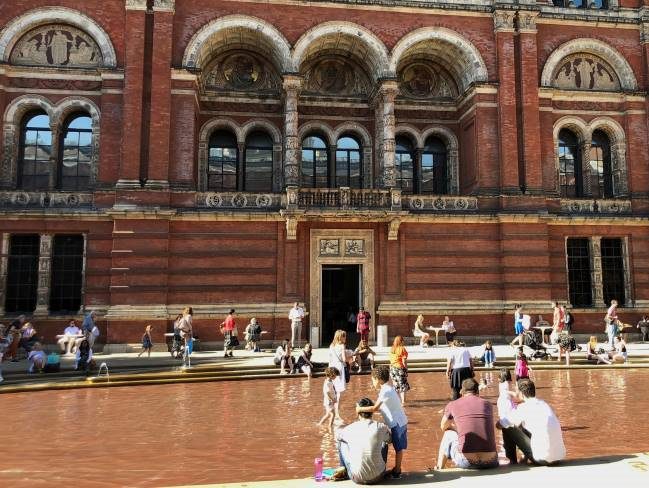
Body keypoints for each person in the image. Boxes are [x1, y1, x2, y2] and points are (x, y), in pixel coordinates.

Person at [497, 379, 566, 465]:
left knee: (507, 427)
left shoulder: (524, 407)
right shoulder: (544, 404)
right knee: (522, 426)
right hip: (558, 457)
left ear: (521, 393)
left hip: (542, 459)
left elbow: (500, 424)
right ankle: (523, 458)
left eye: (516, 391)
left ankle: (512, 462)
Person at [356, 366, 408, 479]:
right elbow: (381, 407)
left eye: (373, 380)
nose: (372, 382)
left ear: (378, 379)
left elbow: (375, 408)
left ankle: (397, 471)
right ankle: (396, 468)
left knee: (398, 448)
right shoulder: (387, 389)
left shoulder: (385, 391)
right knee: (396, 446)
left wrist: (360, 409)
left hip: (397, 423)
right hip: (399, 421)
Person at [435, 378, 498, 470]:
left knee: (448, 433)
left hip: (466, 462)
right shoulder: (488, 404)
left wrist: (455, 429)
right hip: (491, 461)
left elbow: (443, 426)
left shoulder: (452, 404)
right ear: (478, 392)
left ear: (461, 392)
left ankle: (439, 468)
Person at [333, 398, 391, 484]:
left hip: (356, 478)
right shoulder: (381, 427)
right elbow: (390, 440)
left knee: (341, 442)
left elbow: (337, 437)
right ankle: (379, 466)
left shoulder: (349, 429)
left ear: (358, 413)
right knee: (384, 442)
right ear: (372, 412)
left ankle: (343, 470)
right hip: (378, 476)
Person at [328, 329, 349, 422]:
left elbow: (330, 358)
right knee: (339, 392)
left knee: (333, 390)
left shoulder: (331, 346)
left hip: (332, 367)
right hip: (340, 368)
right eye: (344, 336)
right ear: (341, 337)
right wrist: (351, 357)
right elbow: (344, 359)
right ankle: (337, 414)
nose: (345, 338)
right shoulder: (342, 346)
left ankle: (332, 411)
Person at [389, 336, 410, 404]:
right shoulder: (402, 349)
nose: (404, 342)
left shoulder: (392, 348)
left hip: (392, 368)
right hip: (399, 368)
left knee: (395, 385)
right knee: (402, 385)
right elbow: (404, 361)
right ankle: (403, 402)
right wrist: (406, 369)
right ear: (401, 341)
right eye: (403, 340)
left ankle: (396, 402)